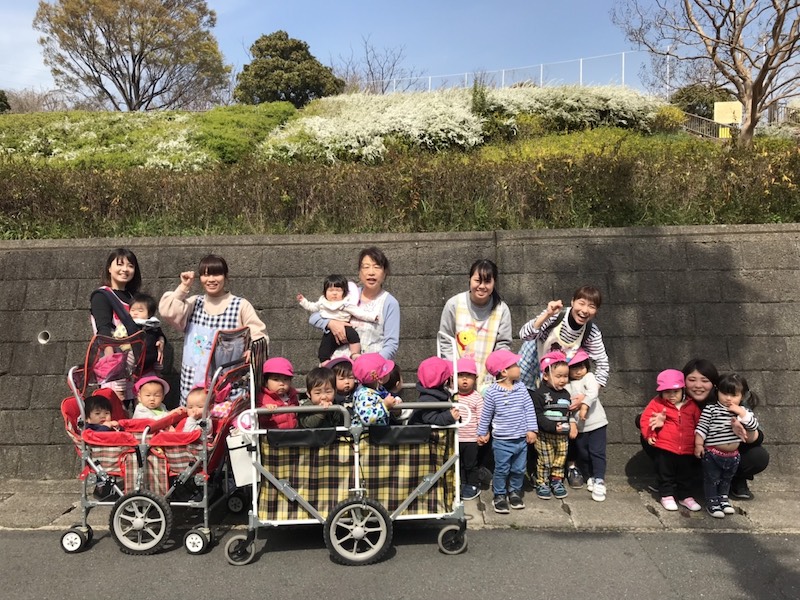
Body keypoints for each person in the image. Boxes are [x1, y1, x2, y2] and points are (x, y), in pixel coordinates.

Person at [518, 285, 609, 488]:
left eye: (591, 306)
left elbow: (603, 364)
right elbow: (525, 334)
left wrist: (588, 397)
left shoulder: (591, 332)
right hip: (532, 372)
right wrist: (546, 314)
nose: (585, 310)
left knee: (561, 421)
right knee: (530, 420)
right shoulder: (555, 316)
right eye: (581, 303)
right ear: (572, 301)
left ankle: (565, 468)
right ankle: (530, 469)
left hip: (559, 382)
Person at [159, 254, 269, 404]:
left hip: (228, 382)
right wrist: (184, 287)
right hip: (194, 383)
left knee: (225, 422)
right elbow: (168, 312)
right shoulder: (194, 303)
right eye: (205, 274)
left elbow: (260, 335)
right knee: (193, 423)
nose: (211, 279)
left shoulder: (240, 305)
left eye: (216, 274)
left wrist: (253, 349)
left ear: (225, 276)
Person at [682, 358, 769, 500]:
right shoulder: (674, 396)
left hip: (727, 454)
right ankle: (669, 478)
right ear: (683, 381)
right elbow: (646, 415)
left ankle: (736, 480)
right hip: (694, 454)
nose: (698, 385)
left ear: (715, 385)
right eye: (692, 380)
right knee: (649, 435)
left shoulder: (732, 403)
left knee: (758, 456)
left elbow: (758, 436)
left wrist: (743, 431)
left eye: (704, 380)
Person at [309, 247, 399, 360]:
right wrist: (331, 323)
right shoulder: (348, 295)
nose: (371, 272)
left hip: (368, 369)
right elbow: (315, 317)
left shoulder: (390, 303)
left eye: (377, 267)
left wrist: (373, 364)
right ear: (359, 273)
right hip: (338, 369)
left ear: (385, 272)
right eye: (366, 267)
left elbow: (391, 344)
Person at [477, 349, 538, 514]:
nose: (519, 367)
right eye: (515, 365)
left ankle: (515, 492)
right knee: (502, 469)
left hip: (521, 439)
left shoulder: (521, 388)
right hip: (502, 441)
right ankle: (499, 494)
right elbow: (486, 415)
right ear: (504, 371)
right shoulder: (492, 392)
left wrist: (532, 429)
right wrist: (482, 432)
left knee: (519, 469)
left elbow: (529, 409)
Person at [439, 259, 513, 388]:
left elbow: (503, 345)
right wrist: (452, 371)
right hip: (458, 380)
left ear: (494, 282)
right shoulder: (454, 304)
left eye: (487, 281)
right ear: (469, 279)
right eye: (478, 281)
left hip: (489, 382)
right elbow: (445, 341)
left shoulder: (502, 309)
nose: (482, 286)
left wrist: (496, 373)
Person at [695, 373, 760, 518]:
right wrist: (698, 445)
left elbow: (754, 425)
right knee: (711, 479)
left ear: (742, 396)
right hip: (712, 453)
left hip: (733, 455)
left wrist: (741, 413)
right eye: (724, 393)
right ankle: (712, 502)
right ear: (717, 391)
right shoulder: (711, 409)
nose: (728, 398)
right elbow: (702, 428)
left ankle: (723, 499)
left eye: (734, 395)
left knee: (726, 479)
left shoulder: (744, 412)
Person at [639, 369, 703, 512]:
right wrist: (650, 434)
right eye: (667, 392)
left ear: (683, 391)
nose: (672, 395)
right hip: (665, 446)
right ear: (661, 392)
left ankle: (685, 496)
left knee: (685, 474)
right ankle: (666, 495)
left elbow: (700, 424)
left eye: (675, 392)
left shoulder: (691, 406)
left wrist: (700, 442)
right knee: (664, 473)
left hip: (687, 448)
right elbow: (646, 419)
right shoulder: (657, 404)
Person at [298, 274, 379, 362]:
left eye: (338, 290)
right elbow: (312, 307)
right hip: (329, 330)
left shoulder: (345, 304)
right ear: (325, 292)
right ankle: (324, 361)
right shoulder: (322, 302)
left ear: (344, 292)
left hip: (345, 326)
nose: (334, 293)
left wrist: (373, 317)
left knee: (353, 336)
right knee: (324, 346)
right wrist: (303, 301)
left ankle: (354, 353)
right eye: (331, 290)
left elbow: (360, 313)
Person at [531, 351, 577, 500]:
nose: (563, 380)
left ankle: (557, 481)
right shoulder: (540, 394)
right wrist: (551, 426)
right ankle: (542, 482)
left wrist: (572, 424)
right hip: (545, 436)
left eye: (565, 376)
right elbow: (537, 415)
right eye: (558, 376)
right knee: (545, 460)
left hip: (562, 436)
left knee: (560, 459)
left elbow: (569, 413)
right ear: (546, 375)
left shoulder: (566, 394)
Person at [566, 349, 608, 502]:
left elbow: (593, 392)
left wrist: (584, 406)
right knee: (583, 453)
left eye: (581, 367)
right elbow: (566, 407)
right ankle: (589, 475)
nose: (578, 371)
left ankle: (599, 479)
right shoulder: (567, 385)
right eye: (574, 368)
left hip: (597, 423)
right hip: (580, 426)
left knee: (597, 452)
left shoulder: (589, 377)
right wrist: (572, 423)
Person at [90, 248, 142, 337]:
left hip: (138, 349)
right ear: (109, 268)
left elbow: (150, 323)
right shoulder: (102, 296)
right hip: (114, 349)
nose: (125, 269)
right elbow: (104, 329)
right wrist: (108, 350)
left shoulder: (137, 297)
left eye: (130, 266)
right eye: (120, 264)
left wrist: (160, 338)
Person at [454, 357, 484, 501]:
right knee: (457, 463)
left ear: (475, 378)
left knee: (471, 464)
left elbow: (481, 418)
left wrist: (482, 433)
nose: (464, 380)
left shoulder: (477, 397)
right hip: (456, 437)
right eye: (460, 376)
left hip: (471, 438)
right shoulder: (452, 396)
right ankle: (460, 483)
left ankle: (472, 484)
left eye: (469, 376)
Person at [351, 353, 402, 426]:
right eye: (387, 372)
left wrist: (394, 401)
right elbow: (367, 418)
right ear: (380, 379)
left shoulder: (379, 389)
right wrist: (385, 406)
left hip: (378, 433)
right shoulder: (364, 394)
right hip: (365, 435)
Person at [119, 292, 165, 373]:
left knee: (158, 361)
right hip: (134, 353)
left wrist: (161, 340)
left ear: (149, 313)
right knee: (129, 359)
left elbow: (160, 334)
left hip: (151, 354)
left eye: (140, 310)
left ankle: (157, 372)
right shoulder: (129, 324)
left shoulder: (153, 324)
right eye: (132, 310)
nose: (135, 313)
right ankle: (127, 373)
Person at [408, 356, 458, 426]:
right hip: (420, 435)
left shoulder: (433, 394)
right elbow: (431, 418)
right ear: (445, 381)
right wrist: (449, 416)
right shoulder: (428, 399)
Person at [258, 357, 299, 430]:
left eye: (285, 379)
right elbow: (259, 420)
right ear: (266, 382)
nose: (281, 383)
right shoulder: (262, 398)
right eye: (276, 379)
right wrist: (266, 411)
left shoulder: (292, 395)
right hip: (274, 436)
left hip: (293, 433)